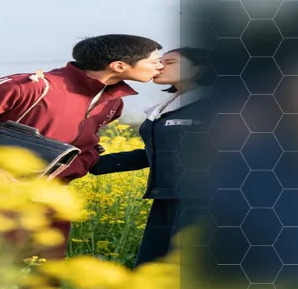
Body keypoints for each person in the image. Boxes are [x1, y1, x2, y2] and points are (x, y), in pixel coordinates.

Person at [0, 33, 164, 258]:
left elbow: (85, 146)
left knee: (42, 275)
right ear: (119, 66)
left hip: (51, 200)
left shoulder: (112, 104)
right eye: (155, 61)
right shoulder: (29, 85)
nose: (160, 66)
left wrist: (81, 160)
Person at [87, 47, 215, 267]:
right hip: (166, 199)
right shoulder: (167, 106)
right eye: (158, 61)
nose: (159, 67)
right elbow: (157, 153)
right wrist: (91, 161)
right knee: (153, 268)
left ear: (200, 68)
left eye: (171, 62)